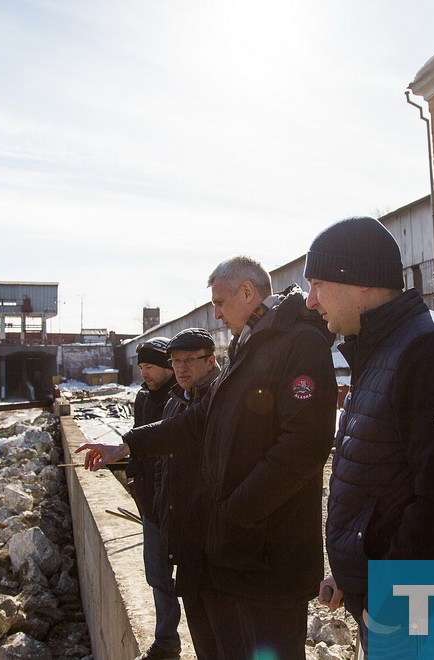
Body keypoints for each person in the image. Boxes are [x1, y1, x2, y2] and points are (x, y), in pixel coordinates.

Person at [77, 255, 338, 660]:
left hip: (269, 553)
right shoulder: (250, 344)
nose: (215, 314)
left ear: (247, 292)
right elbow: (200, 418)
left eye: (219, 302)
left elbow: (302, 447)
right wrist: (127, 445)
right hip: (239, 549)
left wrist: (234, 512)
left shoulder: (298, 343)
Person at [303, 216, 434, 656]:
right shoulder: (383, 348)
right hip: (393, 596)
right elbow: (380, 481)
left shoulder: (429, 349)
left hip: (418, 602)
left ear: (360, 282)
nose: (310, 302)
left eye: (317, 284)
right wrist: (354, 578)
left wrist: (387, 599)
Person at [125, 338, 181, 660]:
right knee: (157, 575)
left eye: (150, 367)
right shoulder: (143, 398)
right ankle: (167, 641)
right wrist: (133, 479)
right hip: (149, 500)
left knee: (191, 577)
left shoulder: (180, 399)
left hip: (177, 500)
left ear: (167, 367)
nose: (144, 373)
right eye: (142, 367)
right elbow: (136, 442)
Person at [153, 328, 220, 575]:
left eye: (190, 360)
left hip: (211, 532)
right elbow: (163, 460)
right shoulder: (174, 402)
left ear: (211, 361)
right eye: (176, 361)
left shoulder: (221, 399)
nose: (181, 368)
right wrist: (162, 504)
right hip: (181, 530)